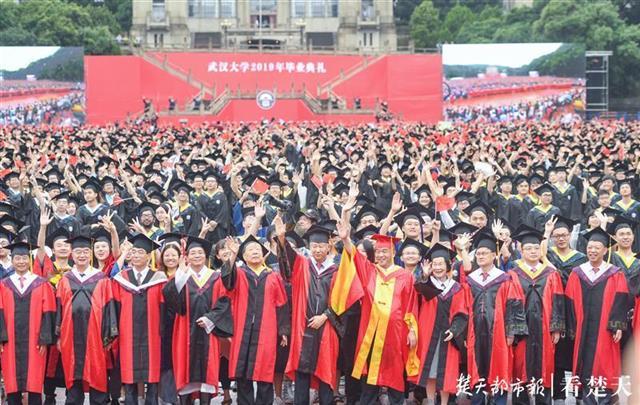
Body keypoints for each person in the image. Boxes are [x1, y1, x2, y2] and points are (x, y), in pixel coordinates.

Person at [336, 221, 418, 405]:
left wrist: (412, 330)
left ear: (394, 253)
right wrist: (346, 239)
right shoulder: (370, 270)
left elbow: (410, 305)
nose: (381, 254)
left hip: (396, 334)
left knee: (395, 376)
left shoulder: (405, 276)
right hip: (371, 334)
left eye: (385, 251)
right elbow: (355, 255)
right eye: (379, 251)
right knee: (370, 382)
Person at [274, 217, 342, 405]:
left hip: (326, 327)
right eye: (314, 246)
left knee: (325, 369)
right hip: (303, 327)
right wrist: (281, 238)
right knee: (302, 371)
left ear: (329, 247)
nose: (318, 250)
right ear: (309, 247)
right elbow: (287, 261)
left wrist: (325, 316)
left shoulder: (337, 270)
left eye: (321, 246)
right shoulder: (303, 264)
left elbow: (343, 299)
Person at [163, 236, 233, 405]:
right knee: (185, 370)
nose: (196, 256)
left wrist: (210, 318)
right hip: (184, 331)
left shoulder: (215, 277)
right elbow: (170, 299)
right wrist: (180, 275)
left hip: (209, 332)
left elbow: (224, 301)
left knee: (206, 375)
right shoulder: (181, 276)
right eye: (192, 253)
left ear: (206, 256)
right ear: (186, 257)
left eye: (200, 253)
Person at [565, 228, 631, 404]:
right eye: (589, 247)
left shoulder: (615, 273)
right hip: (583, 328)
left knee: (604, 363)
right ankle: (586, 400)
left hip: (605, 329)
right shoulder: (577, 273)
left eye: (597, 247)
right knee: (584, 364)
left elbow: (621, 298)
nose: (592, 250)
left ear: (605, 250)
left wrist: (617, 325)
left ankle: (606, 399)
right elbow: (570, 301)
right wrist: (572, 328)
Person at [222, 235, 288, 405]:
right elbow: (227, 284)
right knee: (243, 372)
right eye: (250, 250)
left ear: (263, 254)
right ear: (243, 256)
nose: (255, 253)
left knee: (265, 371)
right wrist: (232, 256)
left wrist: (283, 331)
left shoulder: (272, 276)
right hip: (242, 330)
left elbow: (281, 304)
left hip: (266, 330)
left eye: (258, 250)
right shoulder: (239, 274)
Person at [465, 232, 527, 405]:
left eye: (485, 253)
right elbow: (464, 307)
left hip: (499, 333)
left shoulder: (505, 278)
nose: (481, 256)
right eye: (478, 253)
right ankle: (478, 401)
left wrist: (511, 332)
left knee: (499, 365)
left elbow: (515, 305)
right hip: (475, 332)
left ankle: (498, 401)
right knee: (476, 369)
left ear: (494, 255)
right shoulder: (470, 280)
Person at [55, 235, 119, 404]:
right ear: (72, 255)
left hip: (95, 336)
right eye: (77, 252)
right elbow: (59, 309)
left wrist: (108, 335)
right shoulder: (65, 280)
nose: (81, 255)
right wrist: (59, 336)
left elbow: (108, 308)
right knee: (73, 372)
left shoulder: (102, 279)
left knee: (97, 371)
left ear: (90, 254)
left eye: (85, 251)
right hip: (70, 335)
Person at [508, 228, 565, 405]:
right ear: (521, 251)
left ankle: (543, 401)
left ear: (541, 250)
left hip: (544, 328)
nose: (533, 251)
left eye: (536, 248)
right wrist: (512, 330)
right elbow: (510, 302)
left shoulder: (551, 273)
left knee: (545, 366)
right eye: (528, 248)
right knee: (520, 367)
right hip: (521, 329)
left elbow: (558, 300)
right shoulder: (514, 274)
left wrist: (556, 328)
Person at [112, 234, 167, 405]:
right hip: (127, 334)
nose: (135, 255)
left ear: (148, 255)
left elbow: (165, 309)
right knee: (129, 376)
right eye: (133, 252)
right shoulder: (122, 279)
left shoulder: (159, 279)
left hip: (153, 335)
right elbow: (114, 307)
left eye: (140, 252)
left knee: (152, 377)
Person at [0, 242, 56, 405]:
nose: (21, 261)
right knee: (12, 382)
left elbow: (49, 312)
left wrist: (45, 340)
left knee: (35, 382)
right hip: (9, 342)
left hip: (35, 342)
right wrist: (1, 339)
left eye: (24, 258)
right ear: (12, 259)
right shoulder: (4, 285)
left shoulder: (41, 283)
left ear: (29, 259)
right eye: (17, 258)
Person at [413, 243, 468, 405]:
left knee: (445, 373)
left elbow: (462, 312)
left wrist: (455, 330)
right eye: (434, 264)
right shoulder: (426, 285)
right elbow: (416, 297)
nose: (437, 268)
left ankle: (444, 403)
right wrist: (424, 275)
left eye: (440, 264)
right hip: (428, 334)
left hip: (447, 337)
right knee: (430, 371)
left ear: (448, 266)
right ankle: (431, 401)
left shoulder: (457, 288)